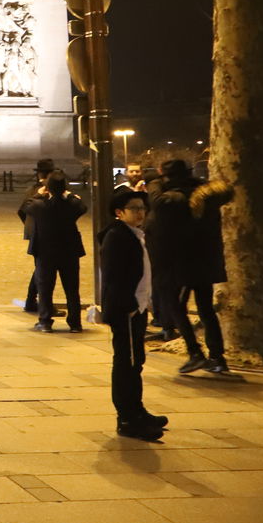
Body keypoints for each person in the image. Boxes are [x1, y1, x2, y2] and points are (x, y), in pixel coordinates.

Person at [147, 159, 232, 373]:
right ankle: (217, 358)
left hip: (180, 263)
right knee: (205, 310)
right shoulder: (204, 196)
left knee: (174, 307)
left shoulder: (174, 199)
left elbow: (157, 202)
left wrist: (154, 183)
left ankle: (196, 353)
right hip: (203, 262)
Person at [100, 188, 169, 440]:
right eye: (134, 209)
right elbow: (113, 277)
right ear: (120, 212)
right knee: (126, 363)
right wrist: (129, 305)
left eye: (142, 208)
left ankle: (137, 410)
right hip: (126, 310)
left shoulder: (134, 235)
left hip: (137, 308)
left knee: (135, 361)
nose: (140, 213)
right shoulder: (117, 237)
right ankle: (127, 418)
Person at [23, 169, 87, 333]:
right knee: (72, 289)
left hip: (45, 252)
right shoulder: (72, 204)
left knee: (45, 288)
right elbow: (83, 207)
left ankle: (45, 321)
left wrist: (39, 194)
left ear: (48, 188)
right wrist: (69, 195)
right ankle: (75, 323)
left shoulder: (39, 206)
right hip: (69, 251)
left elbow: (26, 206)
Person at [17, 158, 55, 314]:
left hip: (35, 233)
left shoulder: (32, 189)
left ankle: (31, 301)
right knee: (44, 269)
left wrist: (29, 227)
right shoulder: (46, 191)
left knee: (40, 268)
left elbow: (21, 211)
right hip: (46, 234)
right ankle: (38, 303)